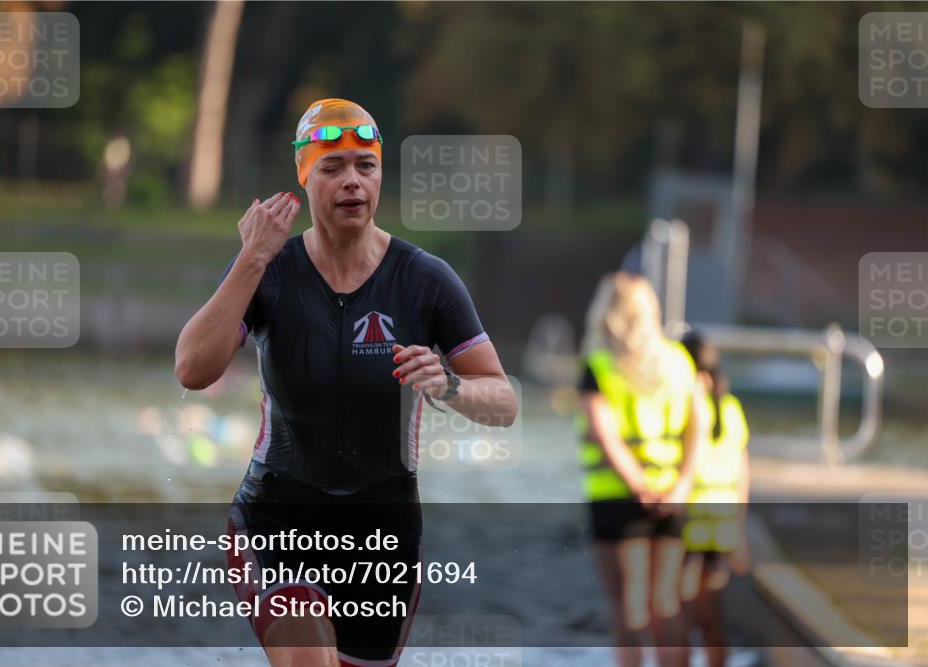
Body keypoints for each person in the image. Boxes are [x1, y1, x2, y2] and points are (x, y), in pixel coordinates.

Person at [174, 98, 517, 667]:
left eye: (366, 165)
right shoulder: (269, 271)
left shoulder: (425, 280)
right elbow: (192, 368)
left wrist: (450, 386)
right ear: (305, 177)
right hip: (278, 518)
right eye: (332, 168)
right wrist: (250, 260)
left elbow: (503, 402)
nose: (352, 181)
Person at [576, 271, 708, 667]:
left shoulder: (599, 363)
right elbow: (698, 426)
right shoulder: (679, 360)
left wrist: (637, 485)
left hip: (617, 496)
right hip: (674, 492)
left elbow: (604, 433)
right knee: (665, 602)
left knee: (627, 606)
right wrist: (682, 484)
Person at [678, 330, 751, 667]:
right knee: (712, 619)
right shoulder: (733, 408)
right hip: (720, 527)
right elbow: (743, 471)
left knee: (679, 616)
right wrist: (739, 531)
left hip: (688, 525)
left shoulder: (683, 407)